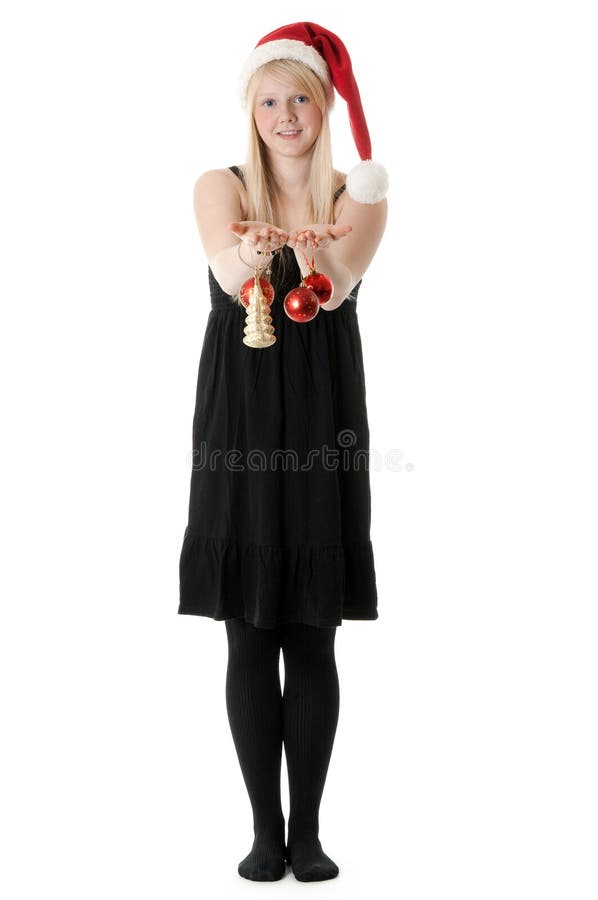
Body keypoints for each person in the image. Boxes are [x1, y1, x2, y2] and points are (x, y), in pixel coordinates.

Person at [178, 22, 388, 882]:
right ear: (251, 110)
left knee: (312, 632)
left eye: (300, 96)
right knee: (246, 632)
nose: (285, 113)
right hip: (240, 422)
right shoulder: (217, 184)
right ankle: (264, 831)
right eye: (269, 99)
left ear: (324, 104)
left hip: (322, 423)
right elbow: (229, 274)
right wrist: (251, 251)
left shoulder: (359, 195)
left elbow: (334, 287)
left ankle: (309, 833)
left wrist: (318, 257)